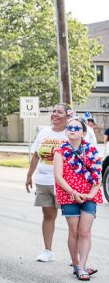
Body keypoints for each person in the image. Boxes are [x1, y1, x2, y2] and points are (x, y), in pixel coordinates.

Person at [25, 103, 97, 262]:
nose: (55, 114)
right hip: (44, 180)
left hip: (66, 184)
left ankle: (76, 258)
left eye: (59, 112)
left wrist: (76, 120)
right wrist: (29, 175)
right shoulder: (44, 132)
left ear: (67, 115)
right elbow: (36, 155)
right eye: (53, 111)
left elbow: (88, 139)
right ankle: (47, 250)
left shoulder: (71, 132)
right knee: (48, 215)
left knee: (73, 222)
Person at [53, 119, 103, 280]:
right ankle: (76, 265)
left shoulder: (92, 150)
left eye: (76, 128)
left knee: (85, 231)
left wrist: (91, 193)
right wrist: (73, 192)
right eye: (69, 127)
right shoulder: (60, 151)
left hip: (89, 195)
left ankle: (82, 266)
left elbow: (97, 176)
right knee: (74, 231)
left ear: (83, 133)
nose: (72, 130)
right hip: (69, 195)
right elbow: (58, 177)